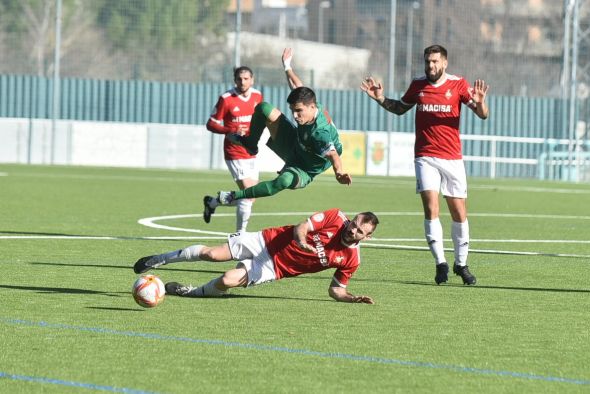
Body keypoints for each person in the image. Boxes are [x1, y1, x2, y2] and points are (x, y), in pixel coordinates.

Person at [360, 44, 489, 286]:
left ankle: (461, 264)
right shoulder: (418, 85)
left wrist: (480, 103)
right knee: (431, 208)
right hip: (425, 156)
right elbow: (400, 108)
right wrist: (380, 99)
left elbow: (483, 114)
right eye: (428, 62)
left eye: (435, 62)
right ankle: (440, 263)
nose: (431, 66)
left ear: (445, 63)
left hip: (452, 158)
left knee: (459, 213)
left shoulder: (458, 85)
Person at [203, 48, 352, 218]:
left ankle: (232, 196)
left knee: (284, 181)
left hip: (304, 168)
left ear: (312, 107)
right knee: (264, 108)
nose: (294, 116)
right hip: (294, 144)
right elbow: (298, 86)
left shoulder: (320, 132)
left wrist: (339, 172)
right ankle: (250, 145)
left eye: (298, 111)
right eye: (292, 111)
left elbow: (333, 155)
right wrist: (287, 66)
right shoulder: (309, 104)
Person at [133, 208, 379, 304]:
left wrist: (352, 298)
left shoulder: (352, 260)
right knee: (212, 254)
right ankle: (161, 258)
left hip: (274, 268)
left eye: (359, 230)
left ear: (366, 237)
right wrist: (302, 241)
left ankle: (189, 291)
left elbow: (335, 290)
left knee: (228, 281)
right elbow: (301, 226)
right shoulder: (335, 218)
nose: (352, 230)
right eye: (354, 224)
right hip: (268, 240)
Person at [204, 66, 263, 232]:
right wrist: (230, 131)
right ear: (234, 80)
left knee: (251, 196)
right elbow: (211, 123)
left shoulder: (258, 96)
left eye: (246, 79)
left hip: (251, 150)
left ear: (252, 80)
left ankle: (213, 202)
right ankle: (240, 234)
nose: (242, 82)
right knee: (248, 194)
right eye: (239, 79)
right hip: (234, 152)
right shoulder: (227, 98)